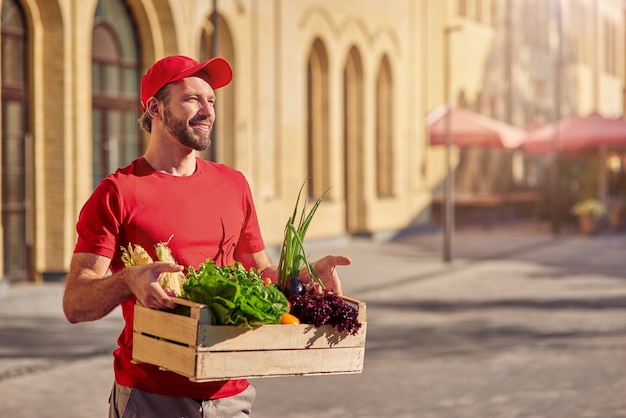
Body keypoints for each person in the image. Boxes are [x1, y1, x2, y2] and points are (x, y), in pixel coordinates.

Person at [62, 55, 351, 418]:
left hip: (232, 392)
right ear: (155, 107)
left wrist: (301, 277)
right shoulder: (118, 192)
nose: (207, 110)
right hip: (154, 394)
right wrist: (127, 282)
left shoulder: (233, 184)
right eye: (192, 99)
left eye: (211, 100)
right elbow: (75, 303)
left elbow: (260, 271)